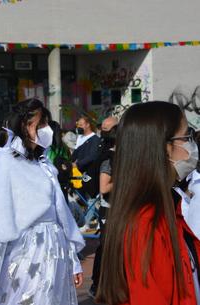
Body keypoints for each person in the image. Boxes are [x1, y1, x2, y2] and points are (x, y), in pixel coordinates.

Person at [0, 98, 85, 305]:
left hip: (56, 249)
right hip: (27, 251)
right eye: (41, 124)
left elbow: (61, 215)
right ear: (24, 125)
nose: (46, 130)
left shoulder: (44, 164)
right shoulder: (7, 161)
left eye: (46, 124)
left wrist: (73, 261)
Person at [96, 102, 200, 305]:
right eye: (186, 137)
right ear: (162, 147)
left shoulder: (168, 206)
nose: (191, 145)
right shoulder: (146, 223)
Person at [89, 116, 118, 297]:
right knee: (106, 247)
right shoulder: (108, 158)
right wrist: (125, 177)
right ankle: (97, 284)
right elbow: (103, 187)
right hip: (108, 209)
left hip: (119, 208)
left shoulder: (120, 155)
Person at [72, 116, 101, 198]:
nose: (79, 127)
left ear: (88, 125)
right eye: (78, 125)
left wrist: (77, 164)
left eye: (81, 125)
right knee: (78, 196)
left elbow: (92, 156)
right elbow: (75, 153)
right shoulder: (79, 138)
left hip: (88, 174)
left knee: (89, 198)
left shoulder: (95, 139)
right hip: (77, 173)